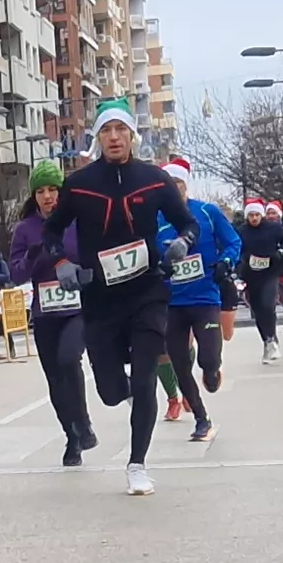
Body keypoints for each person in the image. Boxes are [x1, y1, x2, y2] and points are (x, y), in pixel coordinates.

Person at [43, 105, 189, 494]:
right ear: (97, 138)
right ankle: (128, 396)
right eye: (106, 130)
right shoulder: (78, 184)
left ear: (132, 136)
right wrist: (61, 263)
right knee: (110, 391)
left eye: (120, 129)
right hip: (100, 300)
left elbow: (186, 222)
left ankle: (137, 464)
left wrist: (181, 243)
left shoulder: (155, 180)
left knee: (144, 380)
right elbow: (52, 232)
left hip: (147, 293)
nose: (113, 137)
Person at [5, 160, 100, 467]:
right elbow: (16, 275)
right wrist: (34, 254)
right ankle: (71, 436)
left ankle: (83, 423)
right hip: (46, 314)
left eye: (53, 190)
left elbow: (95, 257)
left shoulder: (77, 221)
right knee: (55, 380)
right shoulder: (25, 229)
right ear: (34, 196)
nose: (47, 197)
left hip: (77, 308)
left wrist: (89, 276)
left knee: (69, 359)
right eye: (41, 191)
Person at [159, 158, 239, 440]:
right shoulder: (155, 220)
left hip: (205, 297)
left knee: (208, 358)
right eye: (169, 186)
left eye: (178, 185)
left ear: (185, 186)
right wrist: (160, 267)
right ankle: (202, 419)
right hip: (171, 303)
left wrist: (226, 261)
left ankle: (212, 370)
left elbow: (233, 242)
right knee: (178, 362)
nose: (175, 190)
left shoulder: (207, 212)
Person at [236, 199, 283, 361]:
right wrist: (240, 262)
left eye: (257, 215)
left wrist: (281, 251)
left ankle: (272, 340)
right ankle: (266, 341)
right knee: (258, 311)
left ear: (262, 215)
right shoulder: (241, 231)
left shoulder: (273, 228)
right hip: (251, 275)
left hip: (270, 273)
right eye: (251, 215)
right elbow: (234, 246)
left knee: (268, 304)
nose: (254, 218)